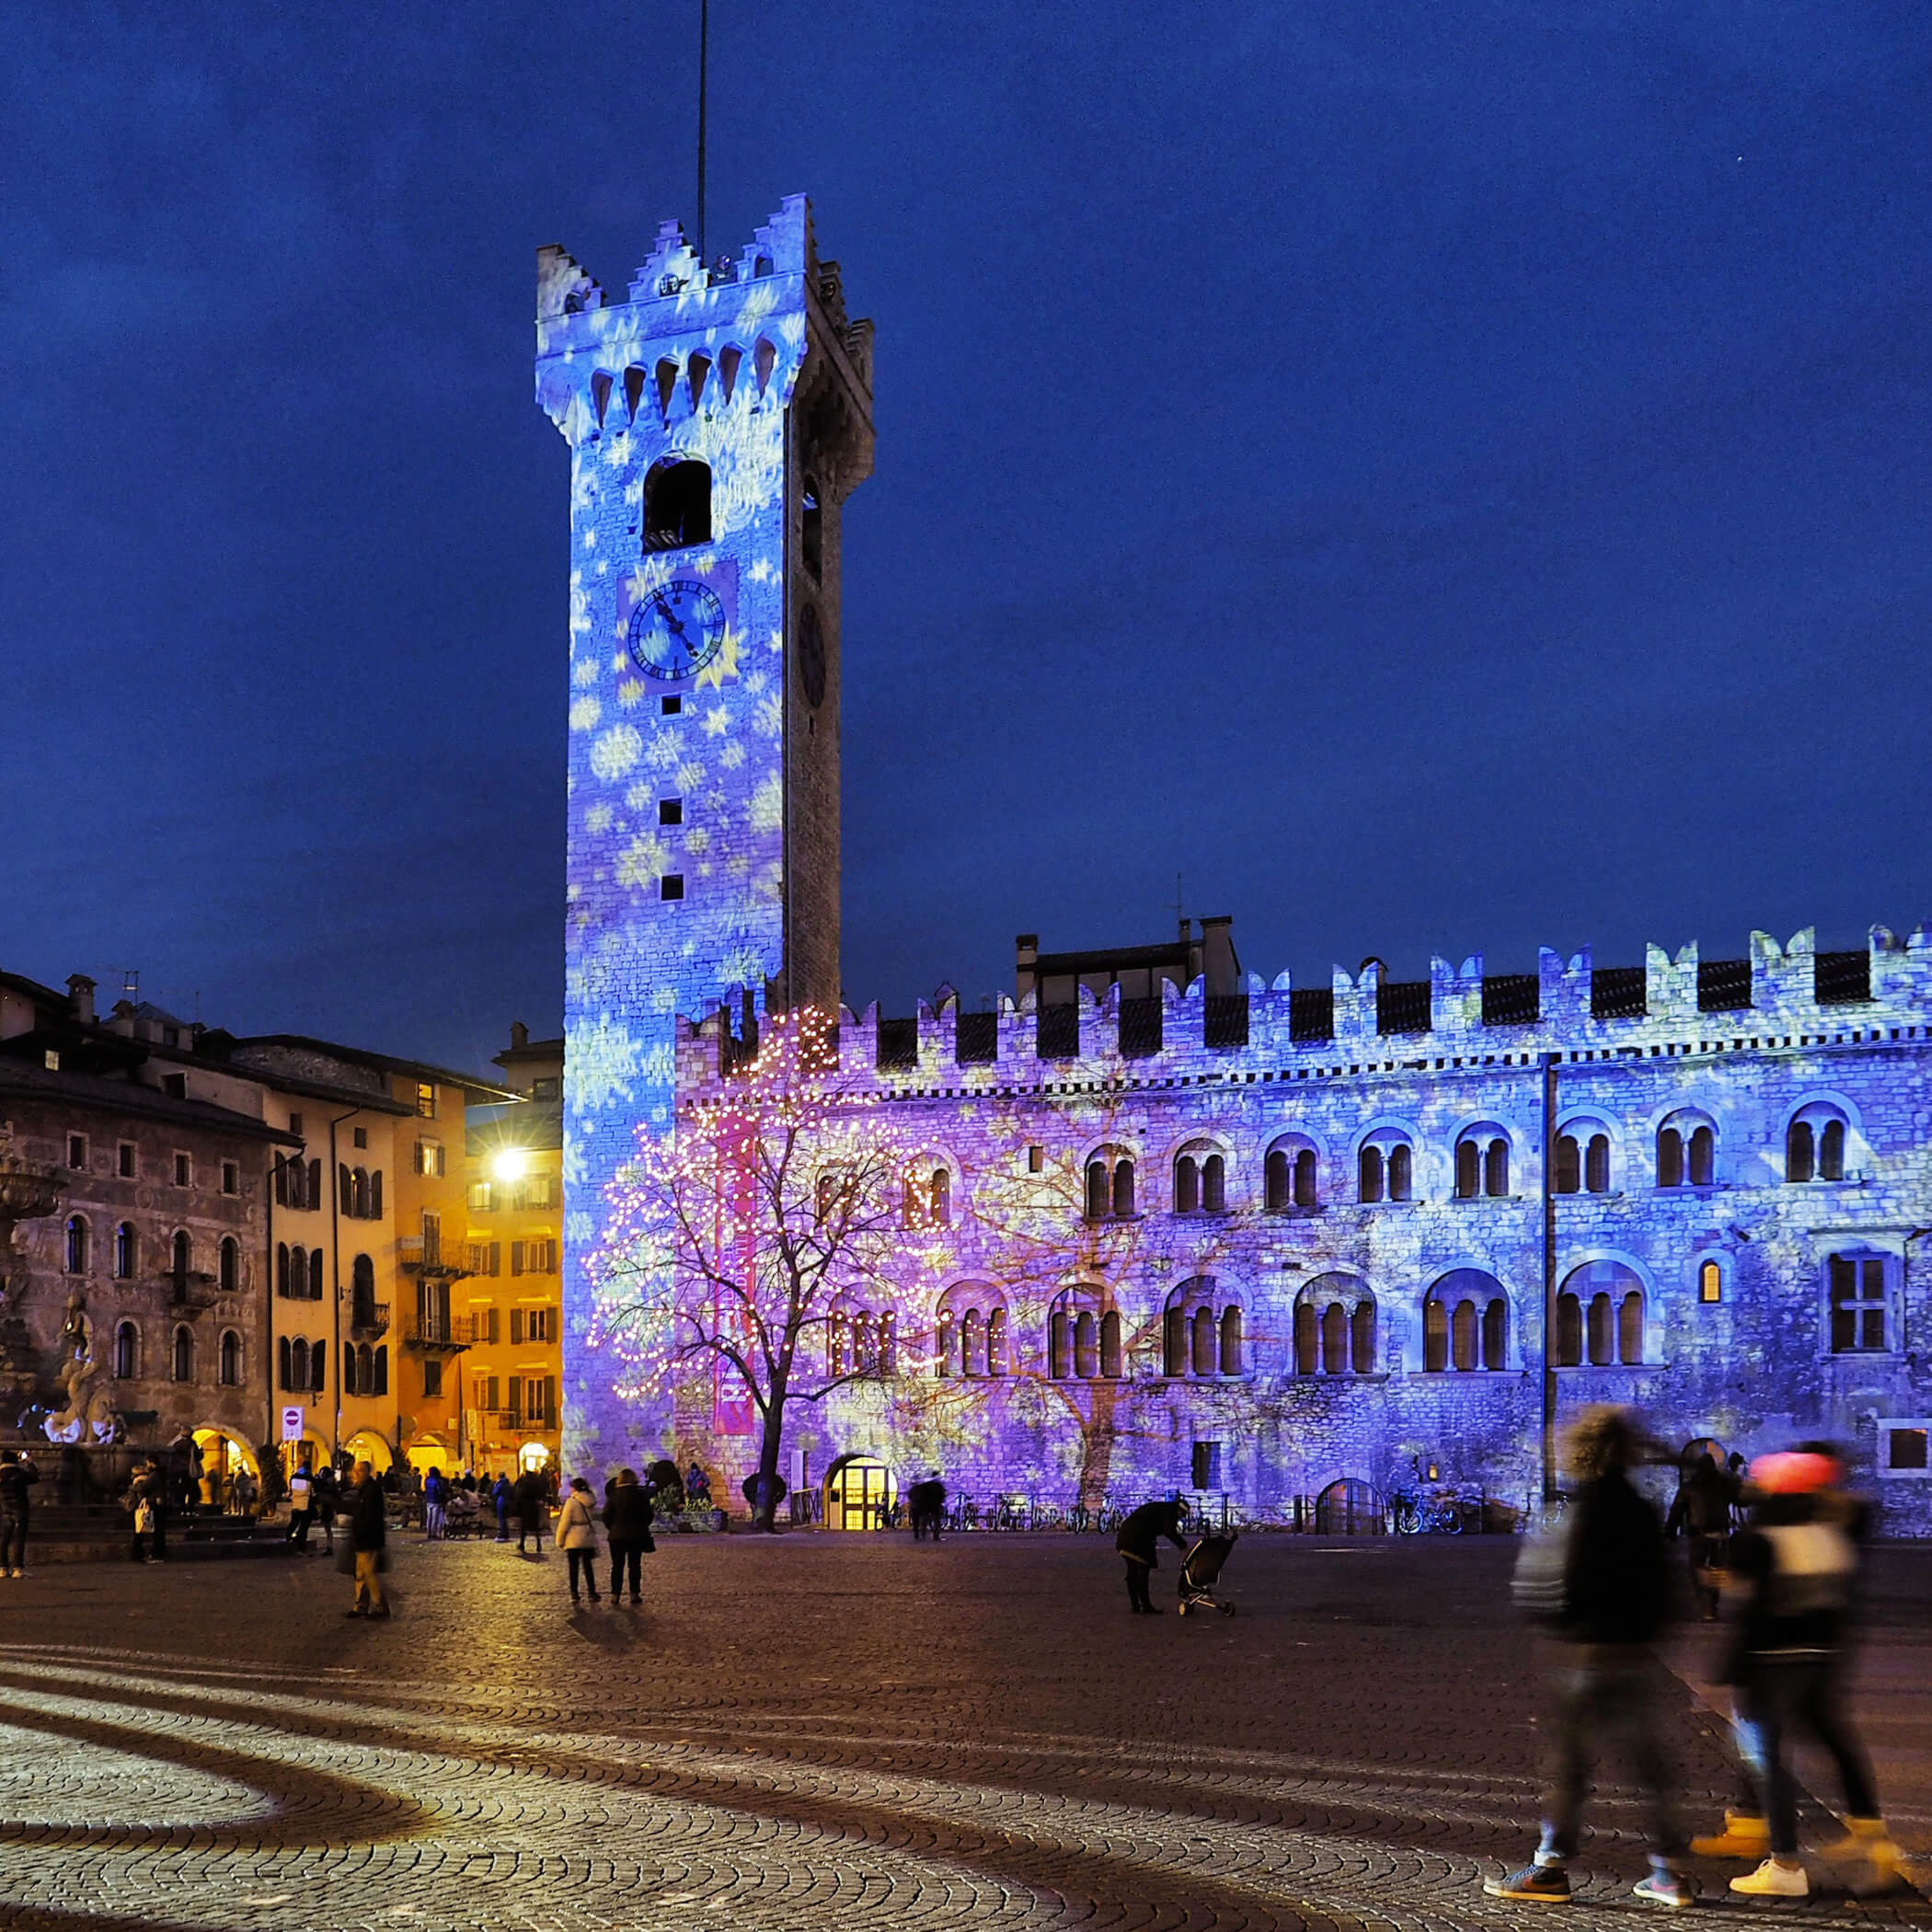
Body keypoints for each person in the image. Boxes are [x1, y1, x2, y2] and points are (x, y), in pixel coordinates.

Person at [1486, 1406, 1689, 1908]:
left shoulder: (1576, 1507)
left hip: (1580, 1653)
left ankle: (1550, 1868)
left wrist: (1557, 1626)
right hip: (1633, 1654)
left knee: (1568, 1765)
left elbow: (1549, 1586)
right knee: (1648, 1764)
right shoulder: (1642, 1509)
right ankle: (1668, 1873)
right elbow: (1663, 1588)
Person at [1703, 1446, 1897, 1899]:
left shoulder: (1762, 1538)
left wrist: (1731, 1666)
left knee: (1767, 1761)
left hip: (1769, 1663)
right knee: (1828, 1739)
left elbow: (1749, 1610)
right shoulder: (1829, 1534)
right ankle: (1875, 1841)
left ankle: (1786, 1864)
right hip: (1820, 1659)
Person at [1665, 1446, 1738, 1620]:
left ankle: (1705, 1607)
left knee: (1697, 1568)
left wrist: (1670, 1531)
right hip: (1720, 1532)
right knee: (1716, 1570)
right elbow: (1739, 1500)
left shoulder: (1689, 1486)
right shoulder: (1724, 1484)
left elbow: (1677, 1510)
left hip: (1698, 1533)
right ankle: (1712, 1606)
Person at [1115, 1497, 1188, 1614]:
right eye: (1181, 1515)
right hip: (1138, 1540)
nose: (1179, 1518)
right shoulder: (1169, 1511)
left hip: (1125, 1538)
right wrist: (1183, 1546)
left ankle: (1135, 1605)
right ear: (1179, 1511)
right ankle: (1145, 1605)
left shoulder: (1162, 1507)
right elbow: (1169, 1531)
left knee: (1132, 1571)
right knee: (1143, 1571)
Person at [346, 1459, 389, 1618]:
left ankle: (380, 1608)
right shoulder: (363, 1489)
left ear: (367, 1472)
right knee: (360, 1574)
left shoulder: (372, 1490)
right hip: (361, 1538)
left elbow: (370, 1516)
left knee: (369, 1574)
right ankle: (360, 1606)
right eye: (355, 1471)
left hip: (369, 1538)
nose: (356, 1474)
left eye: (360, 1471)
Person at [604, 1467, 654, 1603]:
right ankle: (634, 1593)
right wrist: (641, 1526)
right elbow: (648, 1515)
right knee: (635, 1565)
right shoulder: (641, 1494)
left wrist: (613, 1527)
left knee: (617, 1566)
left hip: (616, 1536)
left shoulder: (613, 1495)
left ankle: (615, 1594)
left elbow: (606, 1516)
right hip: (636, 1536)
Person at [556, 1477, 600, 1604]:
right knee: (588, 1566)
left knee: (573, 1567)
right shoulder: (591, 1499)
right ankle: (592, 1592)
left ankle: (574, 1593)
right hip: (586, 1535)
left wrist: (560, 1539)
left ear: (574, 1488)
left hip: (573, 1537)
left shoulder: (572, 1502)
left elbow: (565, 1522)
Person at [0, 1449, 39, 1579]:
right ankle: (17, 1568)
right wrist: (29, 1462)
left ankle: (2, 1568)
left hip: (5, 1509)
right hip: (20, 1509)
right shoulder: (19, 1473)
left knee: (4, 1539)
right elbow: (35, 1477)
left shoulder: (1, 1474)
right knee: (19, 1539)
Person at [127, 1459, 164, 1563]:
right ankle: (141, 1555)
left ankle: (138, 1555)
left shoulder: (141, 1480)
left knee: (140, 1532)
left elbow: (141, 1490)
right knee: (143, 1532)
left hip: (140, 1508)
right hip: (144, 1507)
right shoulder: (148, 1478)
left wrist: (131, 1487)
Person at [513, 1467, 546, 1553]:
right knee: (535, 1527)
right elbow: (541, 1492)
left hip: (525, 1506)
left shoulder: (524, 1481)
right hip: (534, 1506)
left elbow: (519, 1492)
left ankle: (522, 1544)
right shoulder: (537, 1482)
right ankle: (538, 1544)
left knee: (523, 1526)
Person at [908, 1472, 947, 1541]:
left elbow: (911, 1496)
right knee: (936, 1522)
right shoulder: (938, 1486)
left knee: (923, 1522)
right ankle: (935, 1536)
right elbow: (942, 1495)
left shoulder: (925, 1486)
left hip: (925, 1505)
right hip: (934, 1505)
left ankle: (922, 1536)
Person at [286, 1463, 315, 1551]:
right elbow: (313, 1491)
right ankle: (302, 1547)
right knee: (304, 1526)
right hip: (305, 1505)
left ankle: (287, 1537)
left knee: (294, 1522)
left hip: (295, 1504)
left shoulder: (294, 1477)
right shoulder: (309, 1478)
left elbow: (291, 1488)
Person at [313, 1464, 339, 1551]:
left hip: (327, 1508)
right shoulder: (330, 1484)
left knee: (327, 1527)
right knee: (327, 1527)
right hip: (326, 1507)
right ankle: (329, 1546)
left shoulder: (330, 1485)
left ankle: (329, 1546)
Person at [423, 1466, 446, 1541]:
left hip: (428, 1500)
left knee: (429, 1518)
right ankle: (433, 1533)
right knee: (434, 1518)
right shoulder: (437, 1481)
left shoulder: (427, 1480)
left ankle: (428, 1533)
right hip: (436, 1501)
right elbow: (439, 1491)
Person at [492, 1472, 511, 1542]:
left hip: (501, 1502)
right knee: (505, 1519)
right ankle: (506, 1534)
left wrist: (495, 1485)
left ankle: (502, 1534)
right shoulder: (508, 1484)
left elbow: (495, 1492)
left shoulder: (499, 1484)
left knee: (501, 1519)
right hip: (507, 1502)